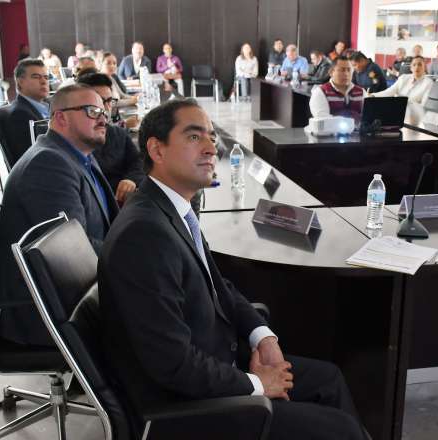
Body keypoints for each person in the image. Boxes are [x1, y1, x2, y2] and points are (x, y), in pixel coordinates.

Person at [99, 98, 365, 440]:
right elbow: (171, 363)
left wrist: (262, 336)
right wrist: (256, 384)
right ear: (157, 149)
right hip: (187, 405)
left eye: (211, 137)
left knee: (329, 379)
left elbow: (217, 286)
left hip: (219, 362)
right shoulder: (144, 233)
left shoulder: (170, 209)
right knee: (342, 430)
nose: (211, 148)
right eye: (194, 137)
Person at [0, 84, 118, 347]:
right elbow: (74, 251)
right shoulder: (48, 164)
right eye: (92, 111)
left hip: (77, 290)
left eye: (104, 111)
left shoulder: (77, 154)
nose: (103, 118)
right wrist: (135, 257)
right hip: (50, 312)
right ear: (61, 117)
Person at [76, 72, 145, 204]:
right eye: (99, 101)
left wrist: (131, 180)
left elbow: (138, 161)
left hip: (124, 202)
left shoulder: (117, 133)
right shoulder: (75, 140)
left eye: (109, 101)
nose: (106, 108)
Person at [3, 59, 51, 165]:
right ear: (20, 82)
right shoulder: (20, 115)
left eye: (46, 77)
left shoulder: (47, 105)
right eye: (36, 77)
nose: (44, 81)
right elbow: (33, 158)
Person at [309, 57, 365, 122]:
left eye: (349, 70)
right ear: (331, 72)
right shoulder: (321, 92)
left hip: (359, 128)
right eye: (342, 70)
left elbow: (367, 117)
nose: (346, 74)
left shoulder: (361, 92)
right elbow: (323, 119)